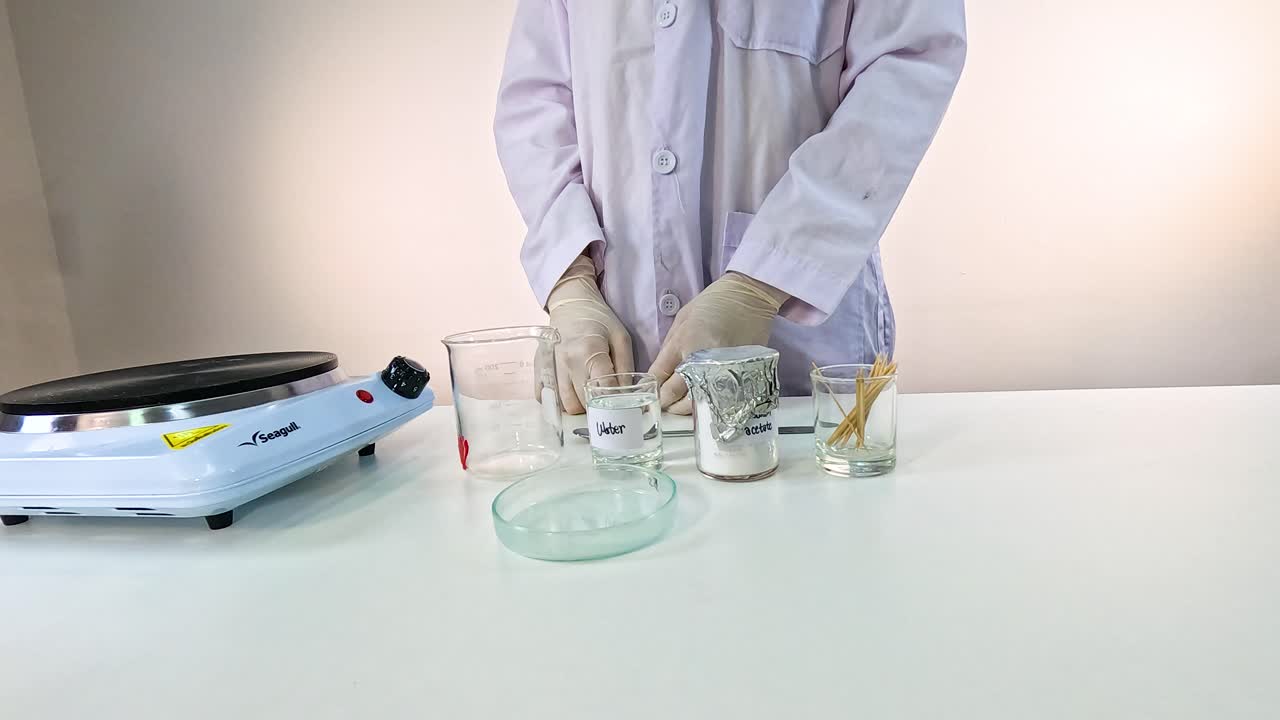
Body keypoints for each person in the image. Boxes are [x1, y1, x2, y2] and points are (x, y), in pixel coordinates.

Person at [495, 1, 966, 414]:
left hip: (798, 349)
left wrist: (762, 284)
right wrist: (572, 283)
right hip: (619, 351)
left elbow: (908, 66)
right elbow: (537, 101)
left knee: (813, 508)